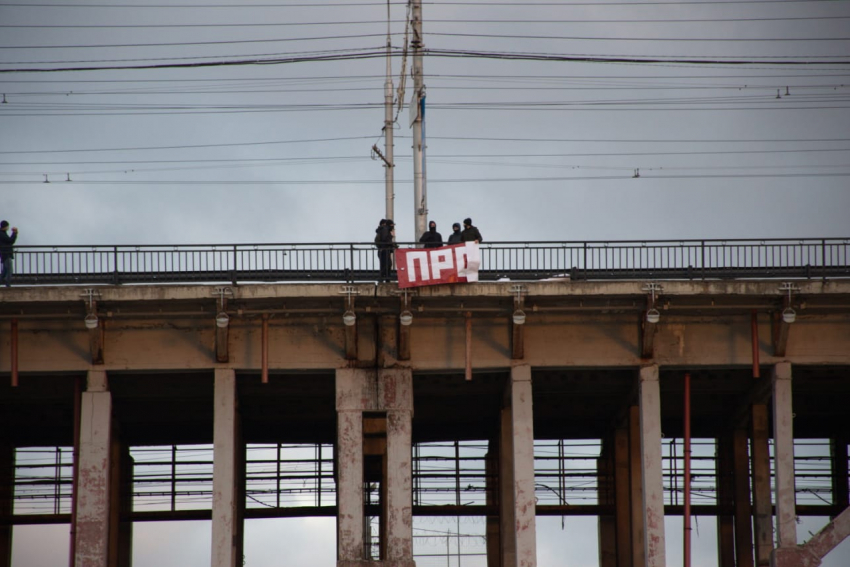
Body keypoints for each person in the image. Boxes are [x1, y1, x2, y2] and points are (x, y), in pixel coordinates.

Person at [0, 220, 18, 287]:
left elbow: (10, 241)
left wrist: (14, 233)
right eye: (7, 226)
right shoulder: (1, 234)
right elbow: (10, 241)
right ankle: (8, 285)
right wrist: (14, 233)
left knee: (5, 271)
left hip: (5, 254)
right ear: (5, 226)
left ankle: (5, 282)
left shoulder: (3, 233)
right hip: (6, 254)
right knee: (9, 270)